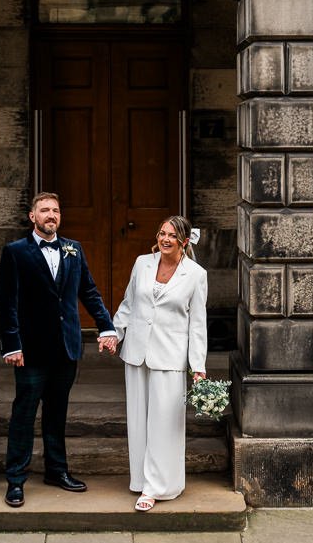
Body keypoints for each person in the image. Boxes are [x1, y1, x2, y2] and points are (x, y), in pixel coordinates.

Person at [0, 191, 119, 508]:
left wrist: (107, 326)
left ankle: (57, 471)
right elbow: (7, 303)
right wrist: (12, 344)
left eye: (56, 210)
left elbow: (89, 292)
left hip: (67, 347)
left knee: (57, 413)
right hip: (31, 350)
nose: (51, 215)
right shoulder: (15, 252)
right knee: (24, 414)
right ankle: (15, 480)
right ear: (32, 217)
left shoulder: (73, 250)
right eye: (45, 210)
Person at [111, 215, 208, 512]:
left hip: (170, 356)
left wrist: (198, 365)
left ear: (183, 241)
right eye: (161, 233)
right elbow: (128, 304)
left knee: (165, 424)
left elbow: (197, 324)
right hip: (137, 352)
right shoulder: (142, 263)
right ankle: (141, 480)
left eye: (171, 235)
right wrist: (114, 334)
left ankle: (159, 487)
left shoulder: (195, 274)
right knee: (139, 420)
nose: (165, 239)